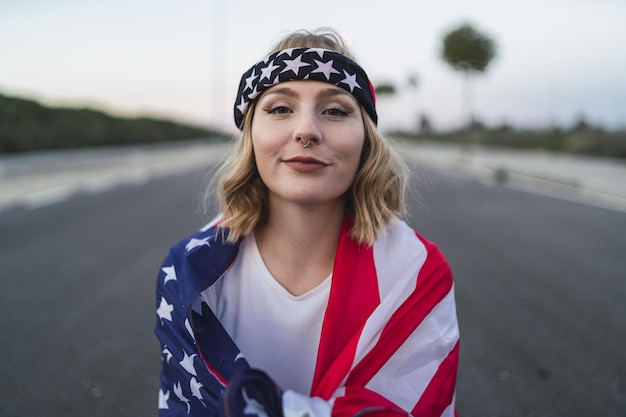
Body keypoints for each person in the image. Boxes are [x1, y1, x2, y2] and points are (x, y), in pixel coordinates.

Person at [155, 27, 460, 417]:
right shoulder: (188, 274)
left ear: (365, 139)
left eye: (335, 111)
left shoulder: (416, 272)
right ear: (251, 134)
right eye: (280, 108)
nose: (306, 131)